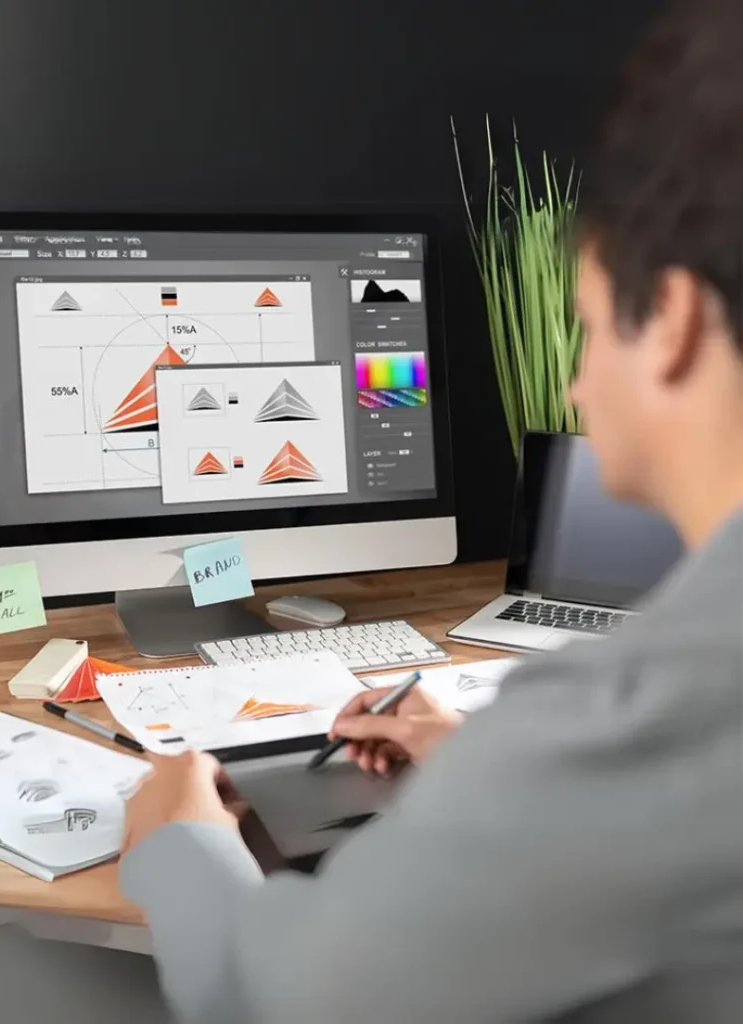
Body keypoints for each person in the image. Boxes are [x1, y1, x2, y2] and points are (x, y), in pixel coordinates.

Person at [118, 0, 743, 1020]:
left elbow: (283, 999)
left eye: (582, 330)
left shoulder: (653, 713)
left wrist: (178, 845)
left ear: (667, 323)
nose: (576, 391)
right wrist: (487, 768)